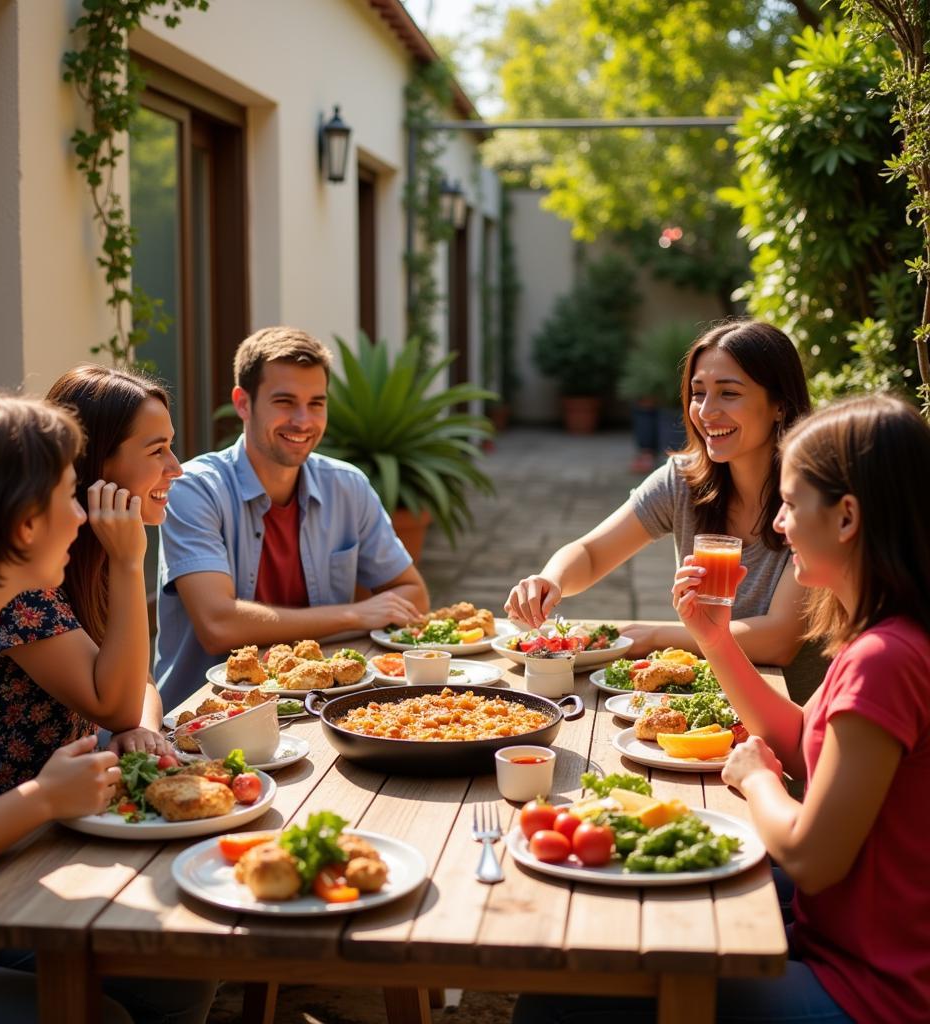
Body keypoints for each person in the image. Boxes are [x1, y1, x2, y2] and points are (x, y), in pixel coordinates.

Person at [514, 393, 930, 1024]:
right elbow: (797, 740)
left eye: (790, 505)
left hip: (869, 988)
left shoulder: (886, 660)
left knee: (566, 997)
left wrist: (758, 782)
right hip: (838, 942)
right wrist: (712, 636)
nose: (780, 525)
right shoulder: (879, 636)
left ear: (847, 518)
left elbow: (813, 859)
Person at [0, 385, 213, 1024]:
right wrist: (45, 798)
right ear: (21, 523)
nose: (80, 515)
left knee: (180, 982)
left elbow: (132, 697)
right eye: (67, 497)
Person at [505, 319, 812, 673]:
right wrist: (550, 580)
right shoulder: (684, 481)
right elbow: (590, 553)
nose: (707, 411)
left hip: (796, 712)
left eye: (729, 393)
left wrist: (652, 636)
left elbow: (779, 640)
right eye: (698, 393)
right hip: (714, 694)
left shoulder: (812, 496)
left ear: (780, 405)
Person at [155, 326, 429, 708]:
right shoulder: (194, 489)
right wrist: (354, 614)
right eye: (285, 401)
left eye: (316, 403)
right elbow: (218, 625)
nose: (303, 421)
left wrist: (365, 616)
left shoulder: (347, 486)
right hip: (206, 720)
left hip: (316, 704)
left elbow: (412, 593)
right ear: (243, 403)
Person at [0, 365, 183, 796]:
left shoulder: (93, 550)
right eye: (157, 450)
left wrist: (141, 729)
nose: (176, 468)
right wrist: (129, 563)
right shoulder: (22, 579)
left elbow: (136, 681)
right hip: (15, 839)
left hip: (76, 810)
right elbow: (113, 704)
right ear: (97, 462)